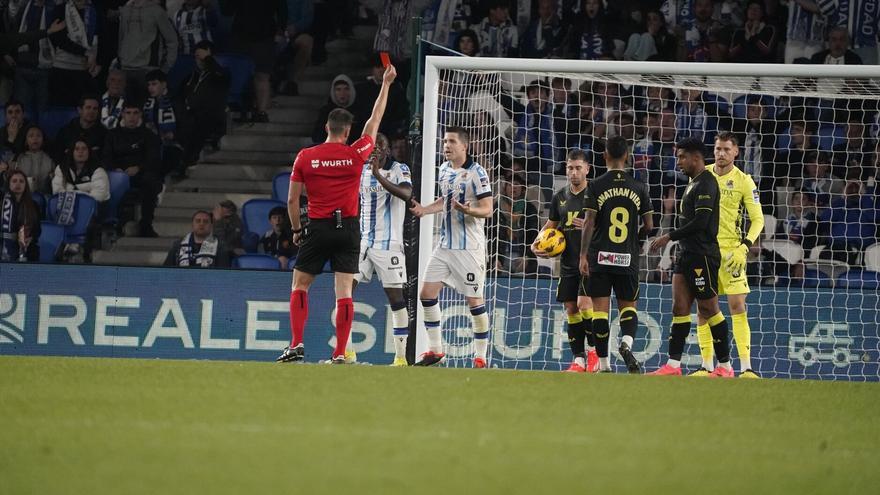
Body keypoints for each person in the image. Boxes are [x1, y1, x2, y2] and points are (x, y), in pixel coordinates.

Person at [276, 63, 397, 364]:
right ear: (347, 131)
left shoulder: (306, 156)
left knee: (300, 285)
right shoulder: (356, 154)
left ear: (326, 128)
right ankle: (340, 353)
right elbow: (375, 119)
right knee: (344, 293)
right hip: (349, 229)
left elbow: (292, 200)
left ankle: (296, 345)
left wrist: (295, 230)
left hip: (317, 228)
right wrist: (386, 84)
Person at [648, 137, 734, 377]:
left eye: (682, 156)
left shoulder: (706, 182)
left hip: (702, 255)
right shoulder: (692, 182)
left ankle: (725, 367)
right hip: (686, 253)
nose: (678, 161)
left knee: (708, 308)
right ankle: (673, 366)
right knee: (679, 307)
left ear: (696, 158)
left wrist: (669, 236)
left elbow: (702, 222)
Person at [409, 126, 493, 368]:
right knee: (426, 294)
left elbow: (488, 209)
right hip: (445, 246)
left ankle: (480, 357)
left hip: (468, 249)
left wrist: (469, 210)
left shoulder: (477, 172)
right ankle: (435, 350)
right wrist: (425, 210)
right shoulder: (444, 169)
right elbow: (446, 200)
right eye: (445, 141)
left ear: (464, 146)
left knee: (474, 302)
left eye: (452, 141)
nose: (446, 145)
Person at [690, 132, 764, 378]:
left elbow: (758, 220)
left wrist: (745, 247)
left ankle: (746, 368)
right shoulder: (702, 176)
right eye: (717, 149)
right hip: (704, 251)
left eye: (726, 149)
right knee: (704, 308)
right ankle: (707, 366)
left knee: (737, 305)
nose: (720, 153)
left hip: (732, 252)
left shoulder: (744, 181)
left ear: (736, 152)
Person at [579, 136, 654, 374]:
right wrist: (637, 239)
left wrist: (583, 256)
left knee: (600, 311)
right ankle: (626, 343)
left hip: (600, 257)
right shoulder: (639, 186)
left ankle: (604, 365)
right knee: (628, 308)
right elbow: (650, 225)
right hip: (627, 257)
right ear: (627, 157)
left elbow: (589, 222)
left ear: (605, 157)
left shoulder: (596, 185)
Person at [531, 149, 597, 373]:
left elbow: (608, 228)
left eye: (579, 167)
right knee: (571, 308)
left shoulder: (595, 194)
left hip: (590, 261)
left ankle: (594, 353)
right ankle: (578, 360)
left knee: (584, 304)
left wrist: (591, 226)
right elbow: (551, 225)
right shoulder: (559, 197)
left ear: (587, 169)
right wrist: (536, 242)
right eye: (570, 168)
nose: (574, 172)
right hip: (568, 262)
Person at [352, 133, 412, 366]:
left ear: (388, 150)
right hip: (362, 244)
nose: (375, 150)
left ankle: (399, 358)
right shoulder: (361, 170)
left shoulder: (399, 169)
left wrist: (378, 174)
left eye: (381, 146)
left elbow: (407, 194)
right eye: (372, 147)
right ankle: (345, 353)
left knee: (396, 299)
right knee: (343, 293)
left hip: (389, 245)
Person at [102, 100, 162, 237]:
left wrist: (139, 168)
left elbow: (153, 159)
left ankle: (146, 225)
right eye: (128, 113)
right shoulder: (112, 135)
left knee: (151, 181)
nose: (132, 116)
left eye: (135, 113)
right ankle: (114, 223)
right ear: (122, 114)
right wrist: (116, 170)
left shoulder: (149, 135)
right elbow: (106, 157)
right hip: (117, 174)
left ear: (140, 114)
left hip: (141, 174)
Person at [164, 209, 231, 268]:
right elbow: (166, 270)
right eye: (198, 221)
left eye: (205, 221)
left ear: (211, 226)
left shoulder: (220, 246)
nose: (201, 224)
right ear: (192, 225)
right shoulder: (178, 246)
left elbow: (223, 274)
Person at [0, 169, 41, 262]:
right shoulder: (2, 204)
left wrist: (31, 238)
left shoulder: (33, 205)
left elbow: (37, 229)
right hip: (3, 244)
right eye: (14, 181)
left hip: (26, 247)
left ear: (26, 185)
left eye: (21, 181)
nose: (18, 184)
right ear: (8, 184)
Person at [14, 125, 54, 195]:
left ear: (43, 140)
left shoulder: (50, 159)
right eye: (31, 136)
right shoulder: (19, 159)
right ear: (26, 141)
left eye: (38, 136)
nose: (35, 138)